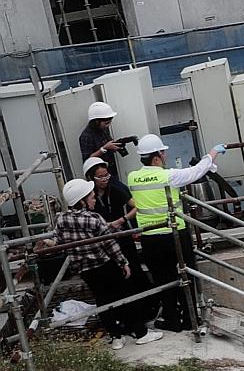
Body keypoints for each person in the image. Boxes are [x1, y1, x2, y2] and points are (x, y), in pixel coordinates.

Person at [127, 134, 224, 333]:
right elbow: (197, 171)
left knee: (164, 280)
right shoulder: (168, 176)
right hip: (175, 235)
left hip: (150, 239)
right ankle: (190, 319)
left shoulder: (132, 177)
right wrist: (213, 153)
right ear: (156, 157)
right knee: (184, 277)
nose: (165, 156)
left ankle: (172, 319)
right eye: (163, 153)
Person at [54, 178, 159, 350]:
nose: (94, 199)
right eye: (91, 197)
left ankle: (116, 337)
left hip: (84, 270)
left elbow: (59, 241)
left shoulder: (61, 219)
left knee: (102, 301)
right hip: (105, 265)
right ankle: (141, 333)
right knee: (126, 297)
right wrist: (123, 262)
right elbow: (110, 244)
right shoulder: (94, 219)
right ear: (82, 201)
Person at [82, 155, 142, 277]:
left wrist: (122, 220)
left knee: (134, 268)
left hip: (122, 234)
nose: (104, 179)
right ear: (90, 177)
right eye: (100, 177)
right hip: (102, 241)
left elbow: (137, 206)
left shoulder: (115, 188)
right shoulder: (87, 196)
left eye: (106, 176)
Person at [79, 101, 128, 184]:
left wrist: (117, 145)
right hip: (99, 176)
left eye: (109, 122)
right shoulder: (86, 136)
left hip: (110, 170)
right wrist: (104, 149)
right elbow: (87, 159)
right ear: (96, 121)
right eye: (106, 123)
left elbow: (109, 143)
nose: (108, 125)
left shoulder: (103, 129)